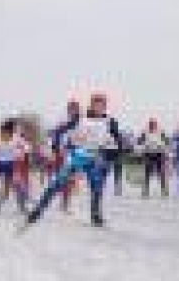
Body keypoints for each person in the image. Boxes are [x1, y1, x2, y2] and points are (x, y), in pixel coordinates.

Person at [25, 92, 124, 227]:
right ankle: (37, 210)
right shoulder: (80, 117)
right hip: (78, 154)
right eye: (96, 104)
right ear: (91, 104)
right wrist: (55, 147)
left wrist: (112, 155)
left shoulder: (110, 121)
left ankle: (95, 215)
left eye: (102, 105)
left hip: (95, 156)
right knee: (58, 182)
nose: (99, 107)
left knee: (97, 187)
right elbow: (60, 131)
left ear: (105, 106)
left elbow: (118, 140)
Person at [0, 120, 31, 214]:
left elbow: (27, 148)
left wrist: (22, 154)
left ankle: (22, 207)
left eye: (9, 133)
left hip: (11, 163)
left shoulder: (17, 138)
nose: (6, 135)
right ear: (2, 130)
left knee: (17, 184)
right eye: (4, 132)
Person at [135, 118, 170, 198]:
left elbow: (167, 141)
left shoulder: (161, 131)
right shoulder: (145, 132)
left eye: (154, 124)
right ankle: (145, 190)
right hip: (148, 153)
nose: (153, 126)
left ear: (156, 125)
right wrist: (142, 147)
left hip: (159, 153)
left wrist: (165, 151)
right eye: (151, 124)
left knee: (161, 173)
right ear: (149, 125)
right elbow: (139, 141)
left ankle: (164, 190)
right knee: (147, 173)